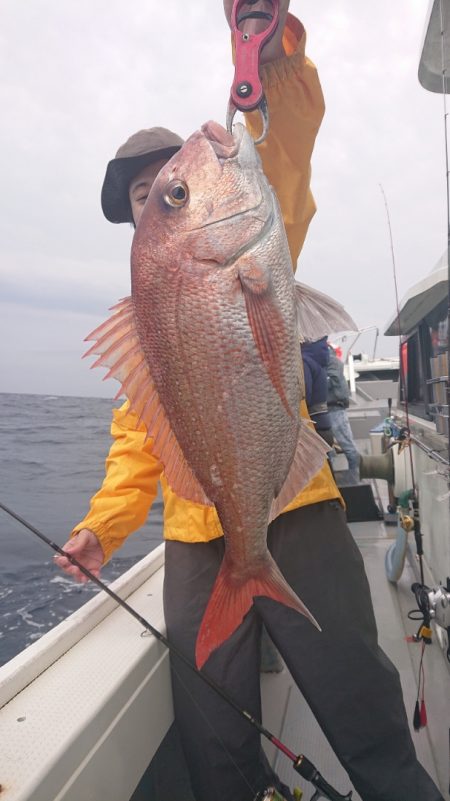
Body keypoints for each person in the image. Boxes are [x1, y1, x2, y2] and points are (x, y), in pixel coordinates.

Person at [55, 4, 444, 800]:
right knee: (213, 738)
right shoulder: (152, 324)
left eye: (164, 184)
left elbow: (287, 143)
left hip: (295, 503)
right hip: (202, 543)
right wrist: (101, 526)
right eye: (142, 196)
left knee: (361, 707)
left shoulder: (262, 232)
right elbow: (138, 446)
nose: (150, 200)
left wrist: (267, 50)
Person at [327, 344, 361, 484]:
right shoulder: (331, 360)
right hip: (326, 410)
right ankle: (333, 481)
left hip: (334, 410)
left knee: (348, 447)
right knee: (327, 450)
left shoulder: (331, 362)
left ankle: (355, 480)